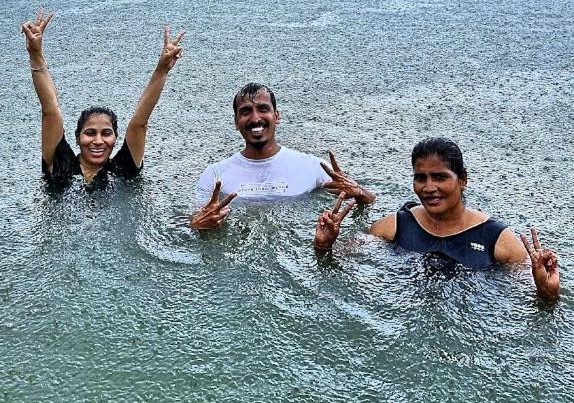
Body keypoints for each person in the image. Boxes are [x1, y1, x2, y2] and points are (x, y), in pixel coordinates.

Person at [314, 137, 559, 301]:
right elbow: (343, 261)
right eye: (421, 178)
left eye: (440, 177)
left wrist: (547, 293)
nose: (429, 187)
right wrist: (324, 246)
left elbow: (529, 295)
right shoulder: (396, 225)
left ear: (463, 179)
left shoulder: (498, 240)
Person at [22, 10, 184, 188]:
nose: (98, 141)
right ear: (77, 138)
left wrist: (162, 70)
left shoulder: (123, 170)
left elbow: (140, 123)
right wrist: (36, 55)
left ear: (115, 138)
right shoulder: (61, 166)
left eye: (106, 133)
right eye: (90, 133)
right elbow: (50, 110)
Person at [189, 83, 375, 230]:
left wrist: (359, 192)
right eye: (246, 112)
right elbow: (193, 220)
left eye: (263, 109)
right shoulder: (215, 175)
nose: (255, 118)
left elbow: (369, 201)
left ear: (276, 116)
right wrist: (198, 225)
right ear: (236, 122)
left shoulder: (313, 166)